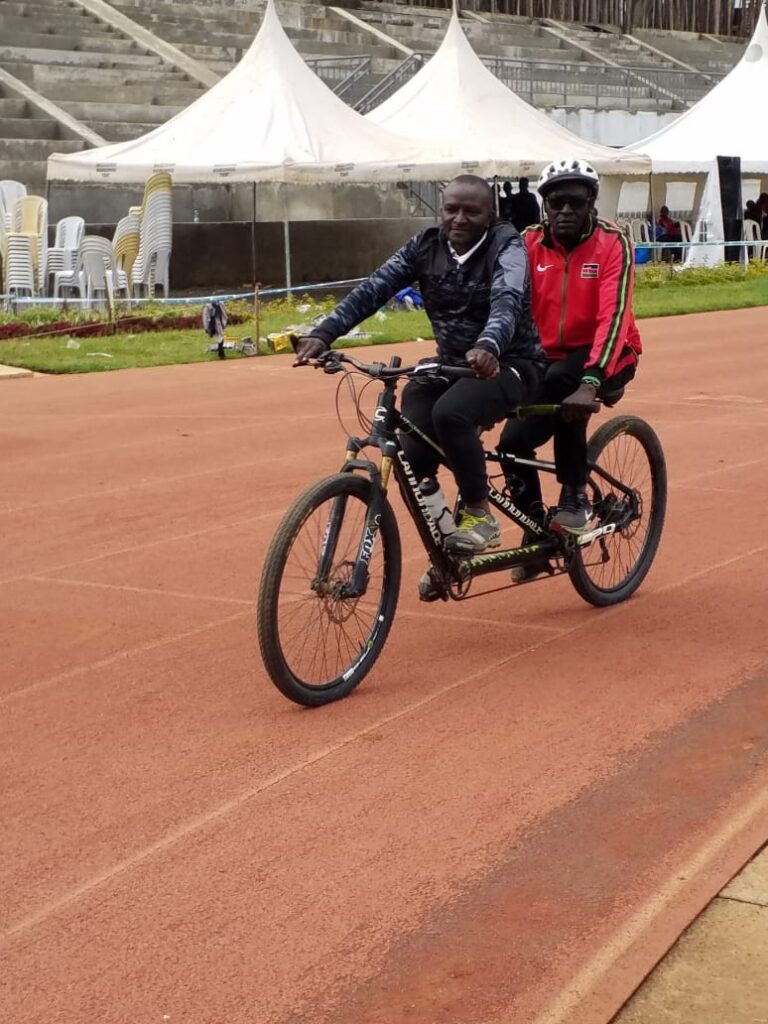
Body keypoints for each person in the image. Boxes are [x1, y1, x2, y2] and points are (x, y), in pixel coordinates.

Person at [294, 174, 544, 562]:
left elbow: (507, 301)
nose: (459, 219)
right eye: (451, 209)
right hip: (449, 363)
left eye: (471, 211)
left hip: (510, 364)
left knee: (452, 413)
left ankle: (479, 512)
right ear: (440, 210)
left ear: (490, 215)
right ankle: (446, 539)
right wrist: (325, 333)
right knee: (411, 440)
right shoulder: (426, 245)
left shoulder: (506, 245)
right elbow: (375, 288)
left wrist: (489, 345)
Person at [498, 157, 642, 579]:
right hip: (547, 359)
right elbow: (505, 306)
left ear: (592, 203)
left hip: (610, 355)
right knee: (512, 443)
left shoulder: (613, 243)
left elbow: (612, 317)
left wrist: (593, 380)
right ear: (543, 205)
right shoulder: (526, 243)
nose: (564, 211)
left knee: (566, 383)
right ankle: (536, 537)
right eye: (555, 203)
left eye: (575, 203)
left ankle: (575, 495)